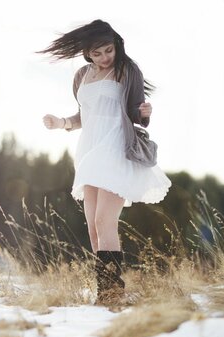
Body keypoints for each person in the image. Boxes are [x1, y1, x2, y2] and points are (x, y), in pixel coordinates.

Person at [36, 19, 172, 305]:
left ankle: (113, 294)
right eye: (96, 53)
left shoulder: (126, 69)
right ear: (87, 54)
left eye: (108, 50)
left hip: (115, 147)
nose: (104, 58)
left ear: (116, 45)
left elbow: (137, 114)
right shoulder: (82, 75)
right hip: (89, 150)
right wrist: (61, 122)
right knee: (92, 226)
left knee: (104, 220)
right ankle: (105, 292)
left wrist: (145, 112)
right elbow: (84, 116)